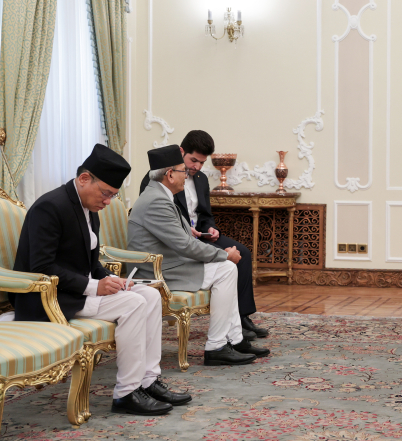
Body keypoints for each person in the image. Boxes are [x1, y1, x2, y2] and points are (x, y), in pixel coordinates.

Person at [10, 144, 191, 416]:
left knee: (151, 295)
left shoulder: (88, 207)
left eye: (113, 195)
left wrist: (112, 279)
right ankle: (127, 393)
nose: (108, 202)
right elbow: (42, 267)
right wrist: (95, 286)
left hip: (77, 292)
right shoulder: (50, 206)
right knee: (133, 304)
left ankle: (148, 380)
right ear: (85, 179)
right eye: (106, 193)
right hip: (50, 299)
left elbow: (91, 263)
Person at [129, 145, 269, 366]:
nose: (186, 175)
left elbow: (179, 236)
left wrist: (191, 232)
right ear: (170, 174)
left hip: (170, 264)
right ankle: (217, 346)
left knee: (227, 269)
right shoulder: (157, 200)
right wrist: (224, 255)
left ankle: (234, 339)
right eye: (182, 170)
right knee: (226, 268)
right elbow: (185, 246)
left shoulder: (159, 194)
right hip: (158, 271)